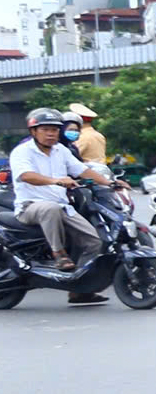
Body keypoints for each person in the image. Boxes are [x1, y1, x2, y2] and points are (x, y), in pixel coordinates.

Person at [9, 108, 109, 291]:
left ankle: (78, 287)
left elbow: (82, 170)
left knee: (94, 242)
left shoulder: (61, 150)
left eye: (54, 130)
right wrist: (56, 180)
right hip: (29, 207)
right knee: (50, 208)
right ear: (34, 132)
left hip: (63, 207)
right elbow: (26, 175)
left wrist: (110, 182)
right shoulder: (22, 152)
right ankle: (59, 254)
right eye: (45, 129)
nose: (50, 134)